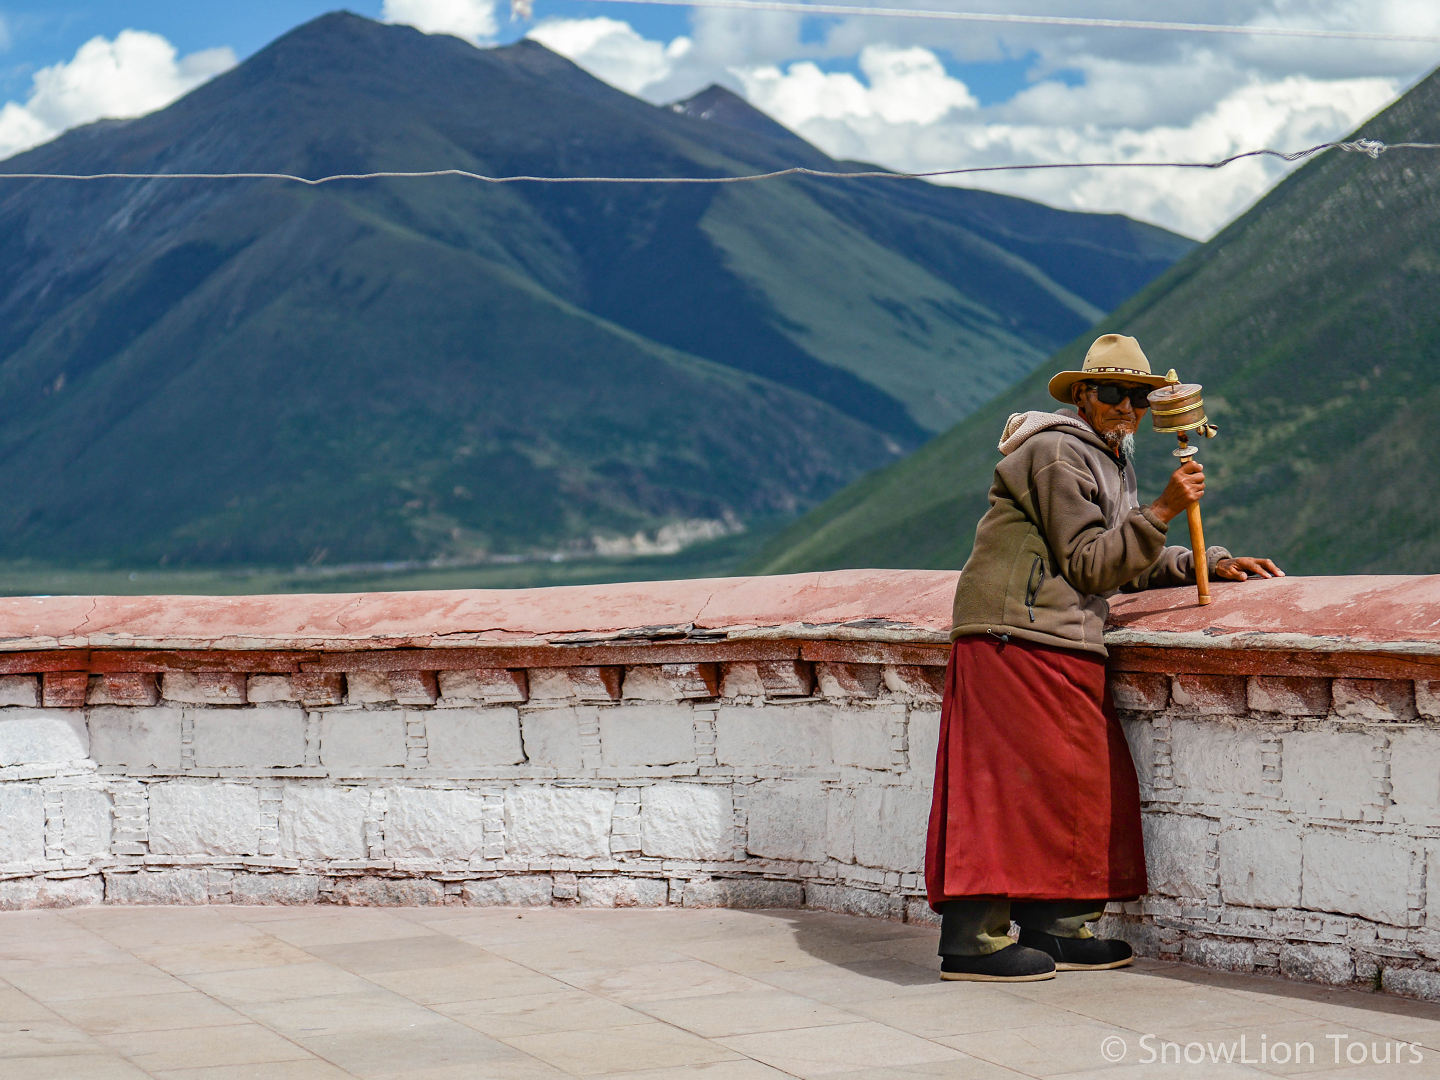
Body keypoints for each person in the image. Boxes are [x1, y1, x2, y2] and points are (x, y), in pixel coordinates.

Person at [925, 333, 1283, 983]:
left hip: (1057, 636)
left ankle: (1055, 926)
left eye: (1139, 397)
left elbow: (1121, 555)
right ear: (1085, 395)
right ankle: (971, 941)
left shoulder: (1110, 457)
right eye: (1115, 393)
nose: (1129, 407)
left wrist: (1205, 561)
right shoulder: (1058, 453)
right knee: (1004, 786)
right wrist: (1169, 508)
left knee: (1075, 783)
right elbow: (1092, 564)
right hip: (1015, 633)